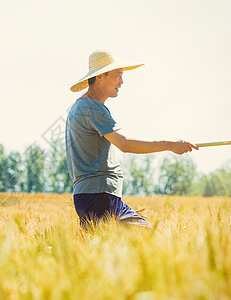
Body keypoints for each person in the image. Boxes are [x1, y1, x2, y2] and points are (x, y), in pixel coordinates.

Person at [66, 49, 198, 229]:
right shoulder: (93, 108)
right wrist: (170, 145)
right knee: (145, 239)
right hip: (99, 196)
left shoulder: (80, 107)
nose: (122, 81)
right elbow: (125, 144)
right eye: (118, 75)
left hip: (91, 196)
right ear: (99, 77)